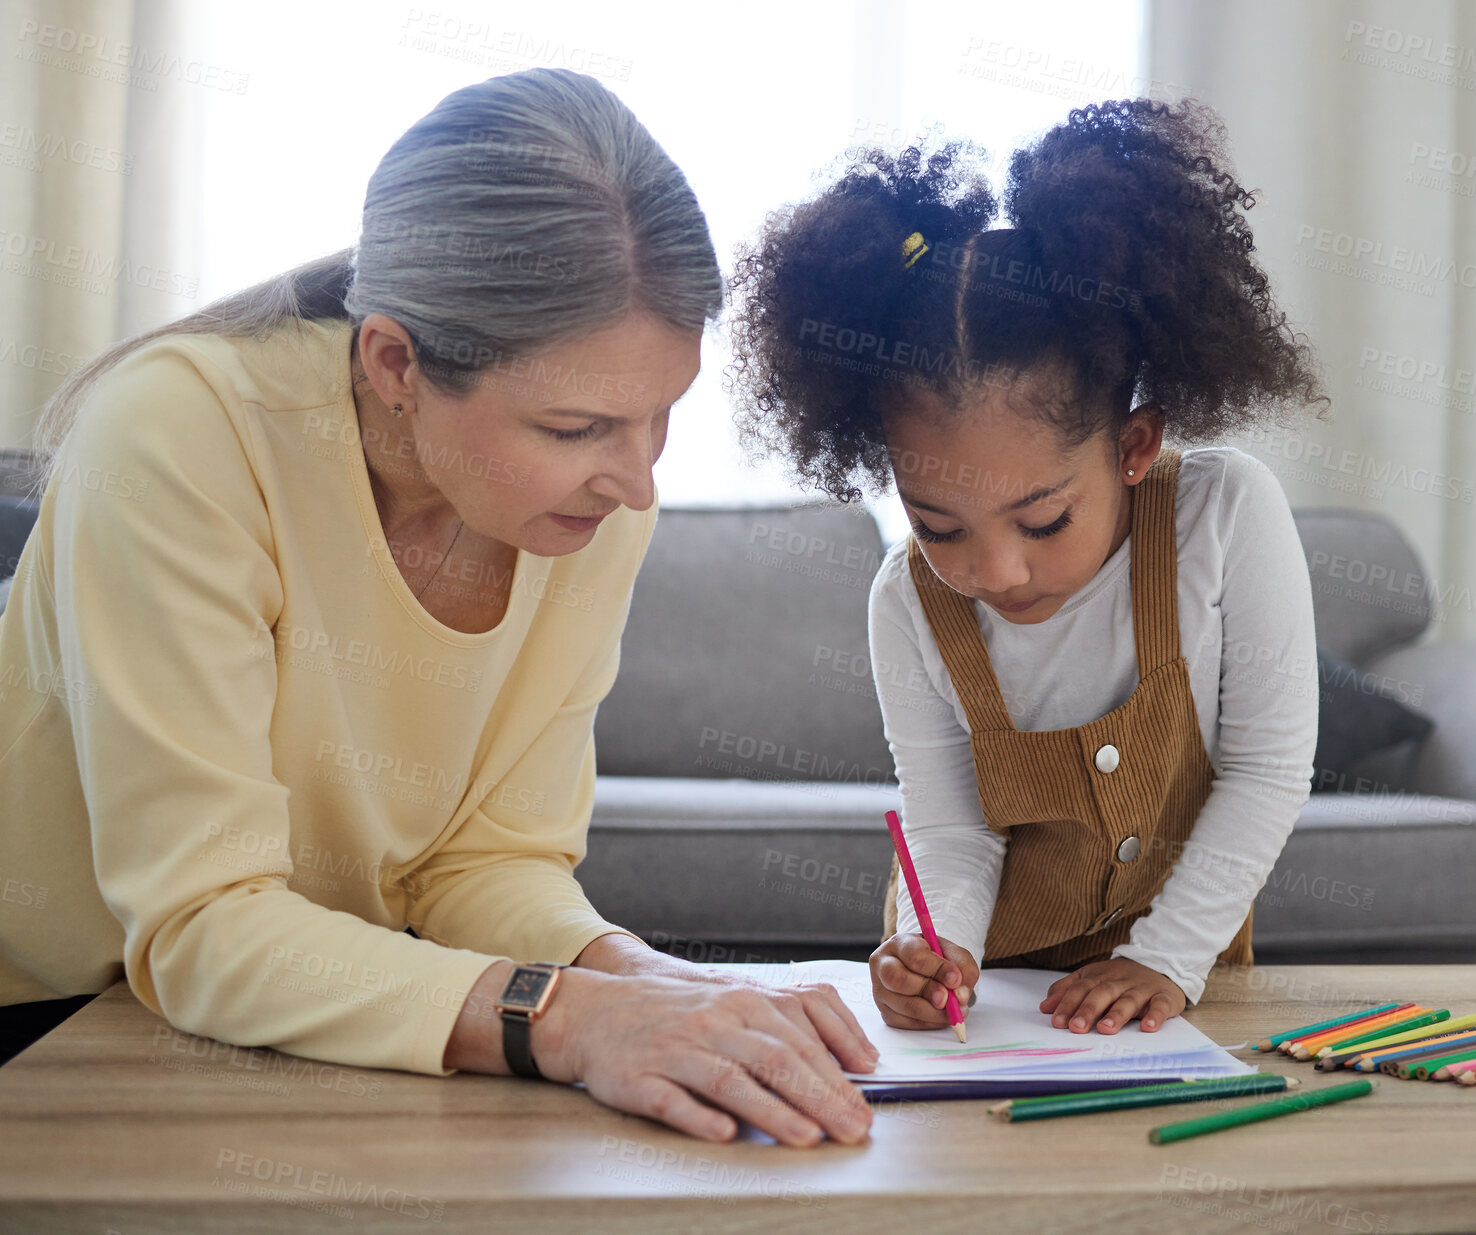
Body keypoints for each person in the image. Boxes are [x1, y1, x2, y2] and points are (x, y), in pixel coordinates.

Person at [0, 68, 875, 1148]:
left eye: (660, 416)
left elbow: (485, 858)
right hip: (61, 1031)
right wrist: (567, 1018)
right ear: (396, 362)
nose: (637, 481)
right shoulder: (178, 436)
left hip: (320, 1033)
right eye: (576, 427)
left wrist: (646, 978)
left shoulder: (591, 511)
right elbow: (200, 925)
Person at [728, 99, 1326, 1041]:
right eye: (937, 522)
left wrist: (1164, 958)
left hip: (1176, 973)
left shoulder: (1225, 516)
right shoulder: (909, 601)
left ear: (1134, 446)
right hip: (987, 1011)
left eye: (1043, 518)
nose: (995, 570)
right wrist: (939, 947)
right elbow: (954, 826)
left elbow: (1267, 768)